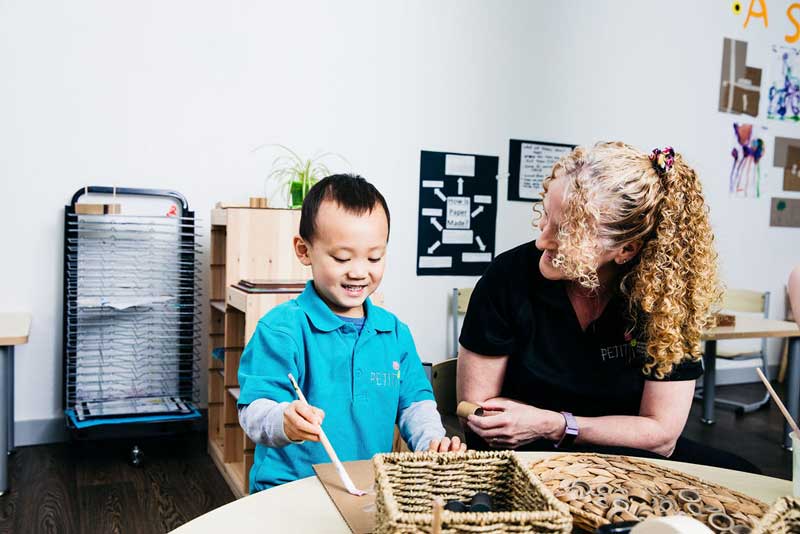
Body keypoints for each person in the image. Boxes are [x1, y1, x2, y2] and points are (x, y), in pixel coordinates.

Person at [457, 142, 757, 472]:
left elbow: (661, 435)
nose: (542, 240)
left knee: (748, 474)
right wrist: (569, 429)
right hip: (530, 458)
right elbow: (479, 413)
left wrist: (555, 424)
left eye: (568, 232)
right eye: (546, 216)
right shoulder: (508, 277)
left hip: (631, 462)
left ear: (625, 249)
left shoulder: (665, 298)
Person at [238, 174, 464, 492]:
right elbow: (253, 410)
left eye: (374, 257)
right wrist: (283, 418)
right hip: (289, 488)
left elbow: (416, 405)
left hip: (366, 486)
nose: (359, 271)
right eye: (342, 258)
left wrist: (432, 442)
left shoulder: (395, 333)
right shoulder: (281, 330)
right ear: (304, 251)